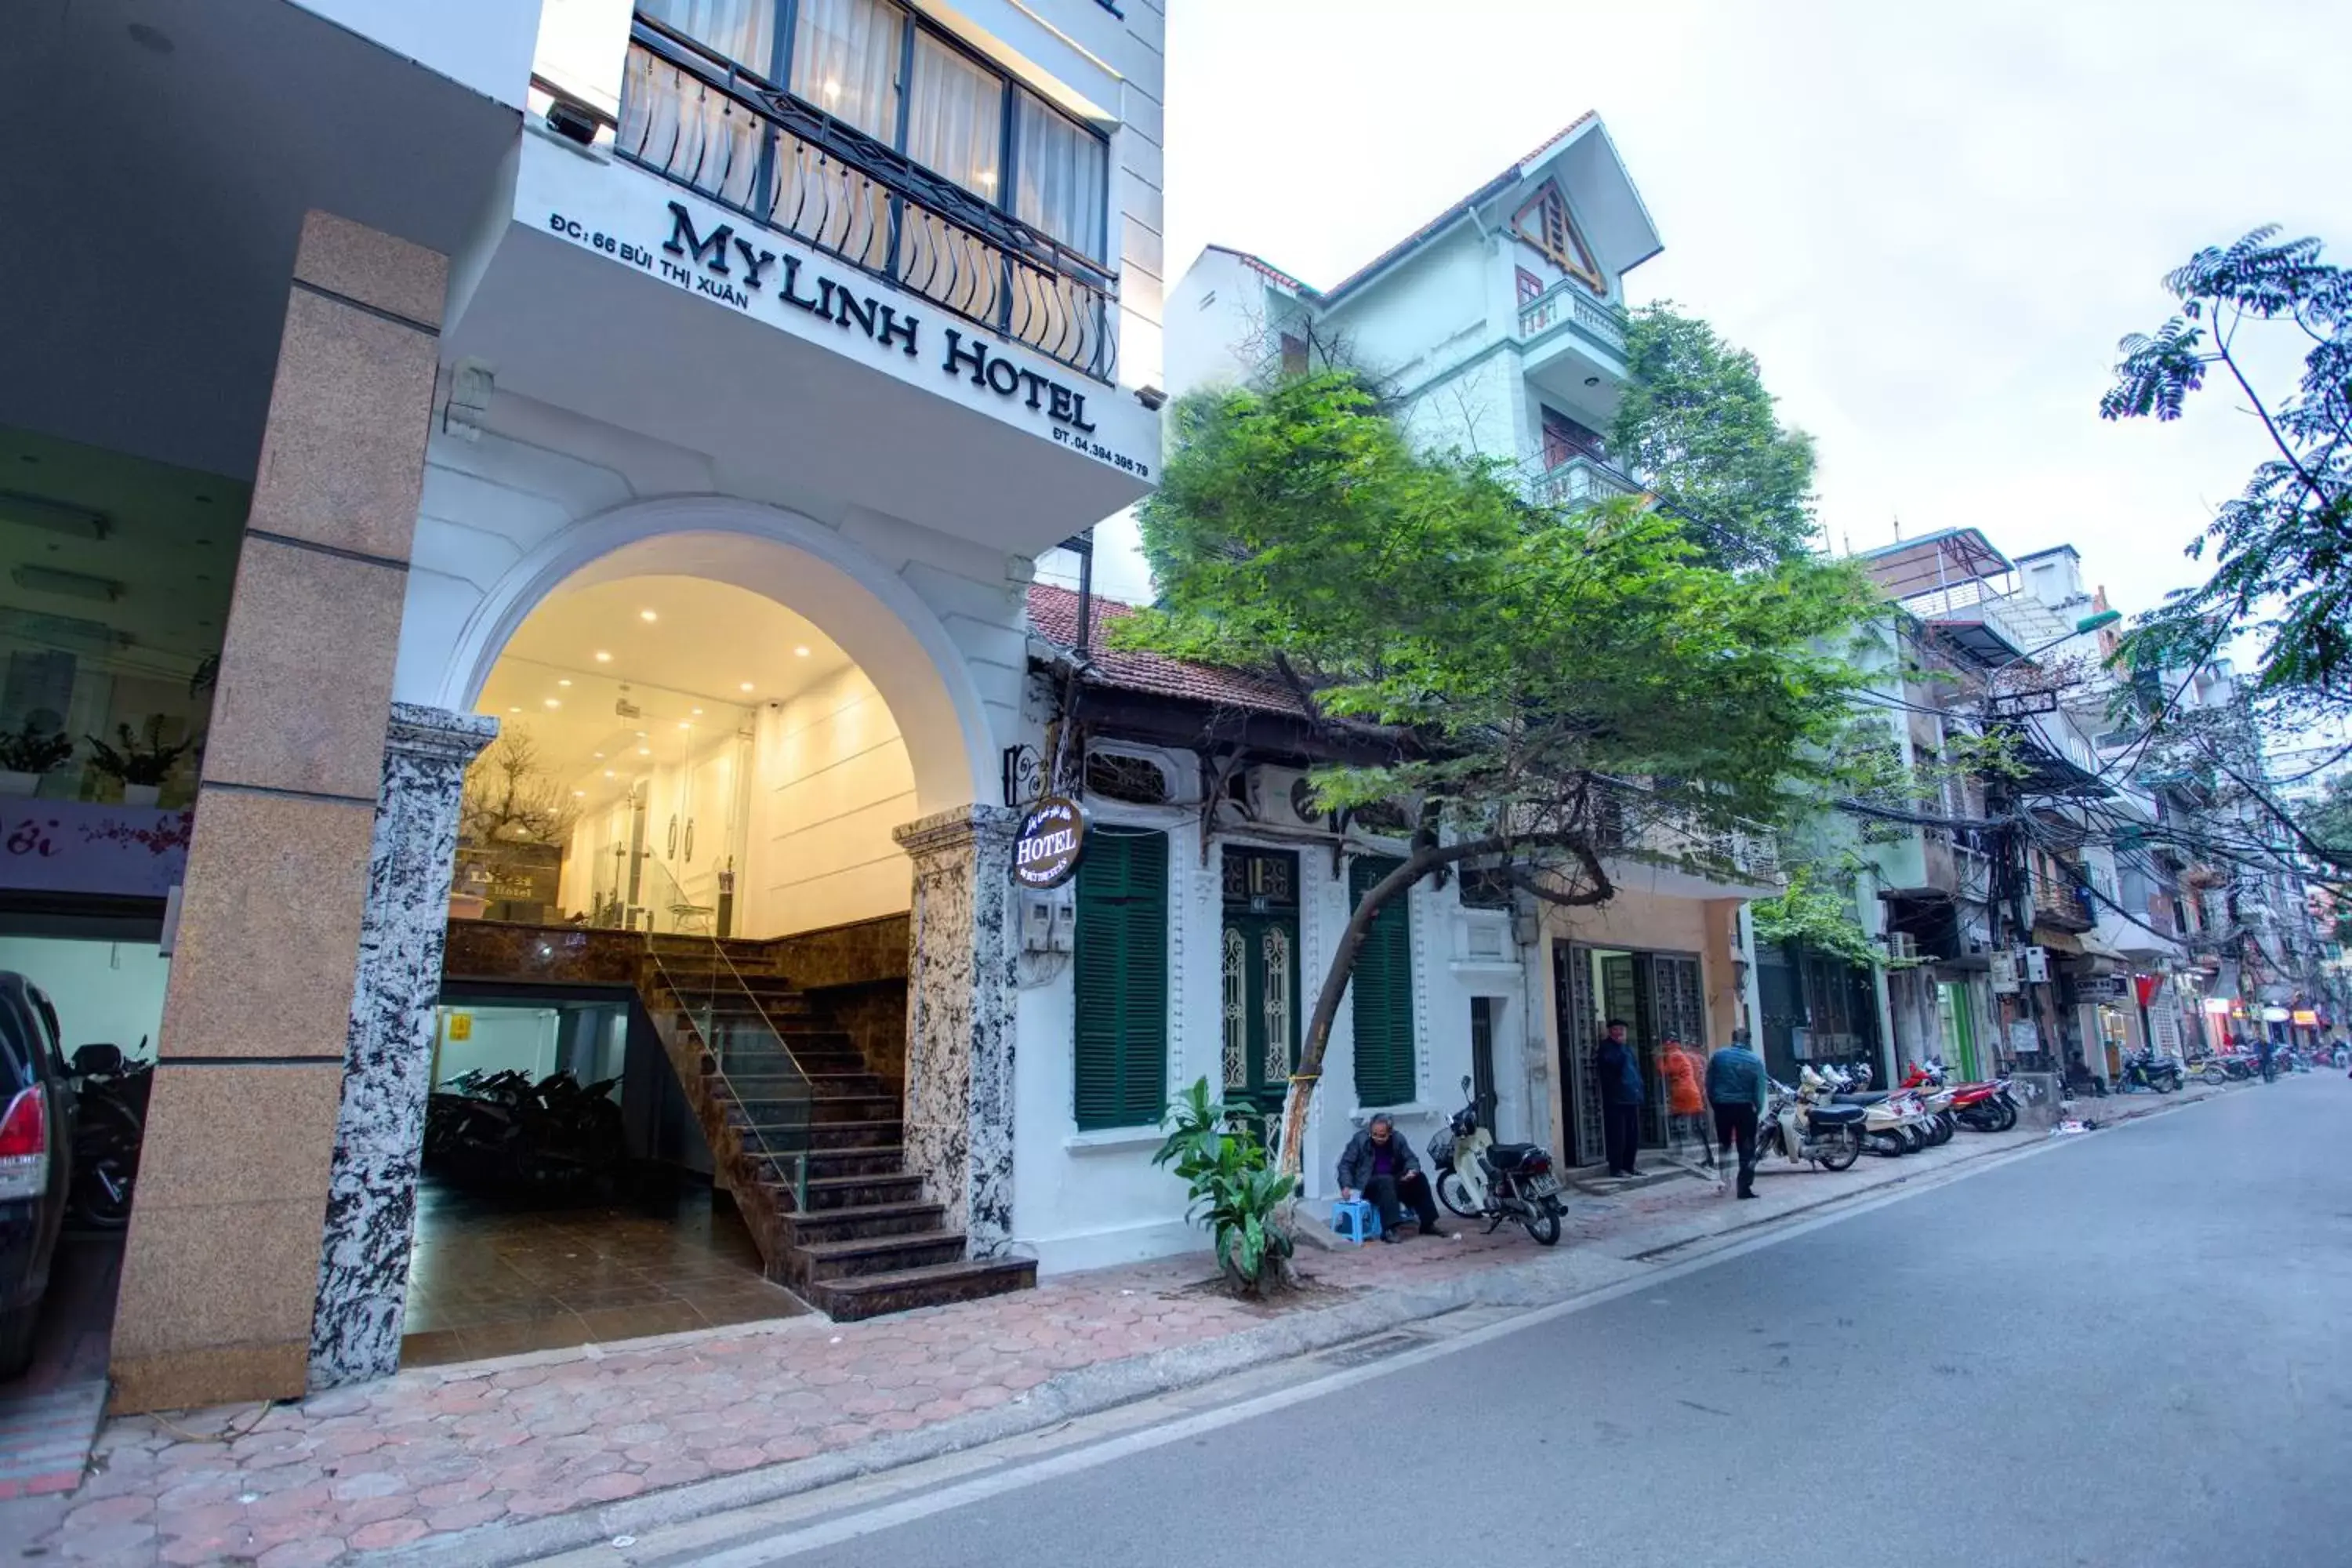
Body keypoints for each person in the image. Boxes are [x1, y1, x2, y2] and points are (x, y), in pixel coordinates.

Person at [1337, 1114, 1446, 1243]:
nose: (1378, 1138)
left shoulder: (1397, 1139)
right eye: (1374, 1134)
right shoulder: (1360, 1140)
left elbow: (1410, 1158)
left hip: (1392, 1181)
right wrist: (1346, 1185)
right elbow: (1345, 1164)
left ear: (1390, 1132)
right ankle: (1389, 1229)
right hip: (1367, 1183)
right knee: (1386, 1180)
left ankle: (1428, 1224)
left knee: (1419, 1178)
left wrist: (1412, 1171)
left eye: (1382, 1135)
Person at [1706, 1026, 1769, 1200]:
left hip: (1722, 1107)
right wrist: (1757, 1109)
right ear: (1748, 1041)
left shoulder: (1719, 1057)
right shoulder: (1755, 1061)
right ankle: (1744, 1188)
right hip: (1745, 1109)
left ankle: (1724, 1182)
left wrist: (1715, 1103)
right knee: (1747, 1148)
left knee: (1724, 1145)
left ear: (1733, 1039)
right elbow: (1759, 1090)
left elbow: (1709, 1083)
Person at [1595, 1019, 1645, 1177]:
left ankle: (1629, 1166)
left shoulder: (1628, 1048)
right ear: (1610, 1031)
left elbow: (1635, 1070)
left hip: (1632, 1097)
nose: (1620, 1032)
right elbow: (1614, 1066)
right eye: (1616, 1029)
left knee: (1633, 1135)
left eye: (1622, 1029)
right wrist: (1621, 1050)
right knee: (1618, 1136)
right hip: (1616, 1098)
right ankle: (1616, 1168)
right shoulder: (1607, 1048)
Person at [1659, 1035, 1711, 1167]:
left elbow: (1665, 1071)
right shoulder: (1684, 1055)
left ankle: (1679, 1152)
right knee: (1697, 1125)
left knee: (1676, 1120)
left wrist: (1659, 1059)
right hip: (1692, 1092)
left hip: (1683, 1092)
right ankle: (1707, 1155)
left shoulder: (1674, 1055)